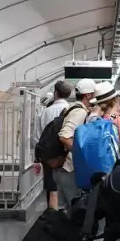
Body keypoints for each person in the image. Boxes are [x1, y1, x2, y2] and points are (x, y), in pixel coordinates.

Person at [54, 79, 100, 207]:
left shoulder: (74, 108)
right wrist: (82, 154)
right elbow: (64, 136)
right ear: (89, 95)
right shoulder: (80, 111)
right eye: (94, 94)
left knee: (66, 207)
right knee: (74, 208)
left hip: (66, 168)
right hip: (69, 168)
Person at [39, 81, 74, 210]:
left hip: (48, 156)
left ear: (55, 93)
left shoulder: (46, 112)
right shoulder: (73, 111)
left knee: (51, 187)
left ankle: (52, 215)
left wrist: (39, 157)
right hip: (66, 155)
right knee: (67, 187)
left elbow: (38, 136)